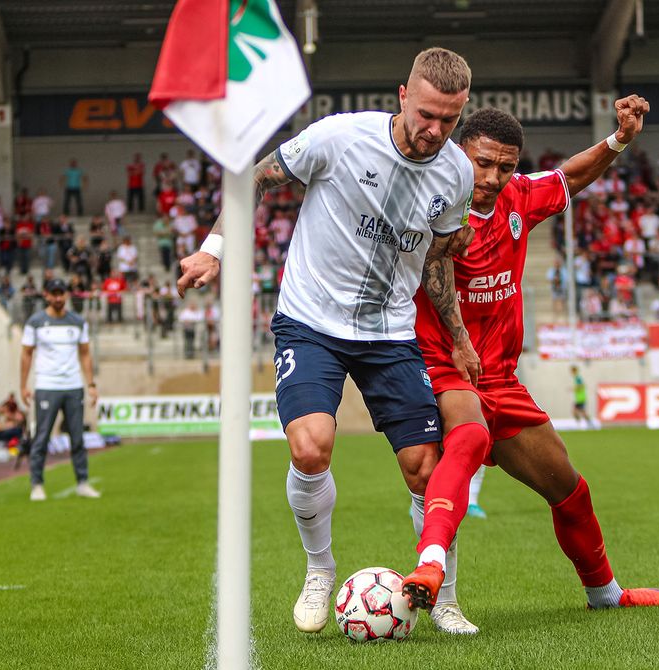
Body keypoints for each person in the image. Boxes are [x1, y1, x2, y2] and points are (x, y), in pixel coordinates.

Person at [177, 47, 480, 635]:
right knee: (310, 447)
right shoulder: (339, 138)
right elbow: (257, 177)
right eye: (426, 114)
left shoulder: (457, 173)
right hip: (311, 320)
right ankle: (320, 568)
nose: (435, 129)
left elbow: (438, 260)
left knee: (426, 469)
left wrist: (459, 337)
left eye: (449, 119)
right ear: (403, 96)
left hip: (390, 331)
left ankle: (443, 596)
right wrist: (214, 249)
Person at [402, 101, 659, 623]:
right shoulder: (426, 204)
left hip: (502, 380)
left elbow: (570, 177)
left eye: (505, 166)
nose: (493, 177)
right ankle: (431, 566)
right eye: (483, 163)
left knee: (570, 489)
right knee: (467, 439)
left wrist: (620, 139)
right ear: (459, 154)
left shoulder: (519, 197)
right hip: (441, 368)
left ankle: (605, 592)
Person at [20, 278, 100, 501]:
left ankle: (82, 483)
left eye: (61, 293)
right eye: (53, 293)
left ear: (66, 295)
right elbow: (26, 354)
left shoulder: (77, 322)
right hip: (47, 386)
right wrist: (23, 385)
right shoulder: (35, 322)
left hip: (73, 386)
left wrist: (91, 384)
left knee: (77, 438)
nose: (57, 297)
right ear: (46, 295)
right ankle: (37, 485)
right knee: (41, 437)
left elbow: (85, 353)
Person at [571, 365, 597, 429]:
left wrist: (574, 389)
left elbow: (581, 386)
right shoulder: (577, 378)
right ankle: (588, 424)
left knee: (579, 412)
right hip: (579, 398)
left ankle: (585, 424)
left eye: (572, 371)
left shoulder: (578, 378)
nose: (571, 373)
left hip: (581, 398)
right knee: (579, 412)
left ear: (575, 371)